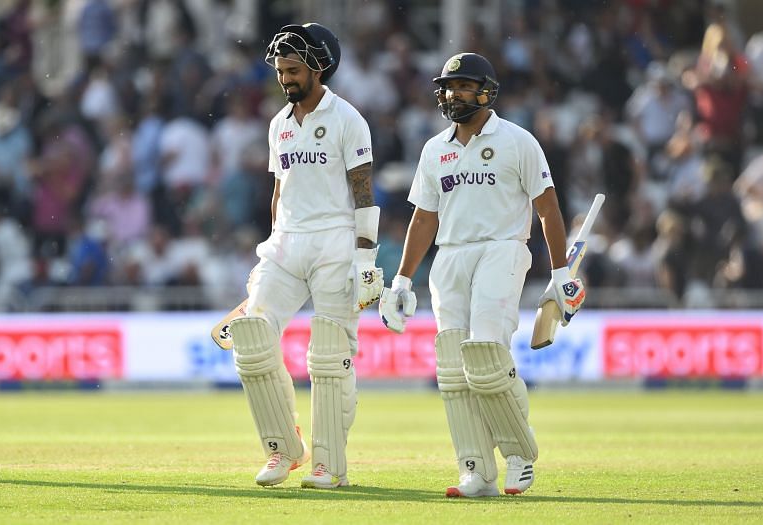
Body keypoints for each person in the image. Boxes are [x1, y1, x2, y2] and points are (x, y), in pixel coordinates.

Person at [379, 53, 586, 498]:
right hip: (449, 258)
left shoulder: (518, 141)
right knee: (454, 368)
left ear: (486, 91)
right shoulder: (435, 149)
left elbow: (547, 207)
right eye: (448, 87)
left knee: (486, 355)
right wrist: (401, 279)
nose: (454, 94)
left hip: (502, 249)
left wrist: (561, 271)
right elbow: (423, 219)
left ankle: (518, 455)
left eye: (464, 86)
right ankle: (475, 469)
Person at [228, 23, 383, 490]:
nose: (285, 79)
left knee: (332, 355)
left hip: (336, 240)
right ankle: (283, 450)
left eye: (293, 70)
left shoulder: (347, 119)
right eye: (280, 71)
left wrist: (365, 257)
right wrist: (272, 245)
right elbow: (280, 190)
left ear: (318, 67)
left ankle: (329, 463)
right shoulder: (279, 124)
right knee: (252, 336)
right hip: (287, 241)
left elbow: (364, 193)